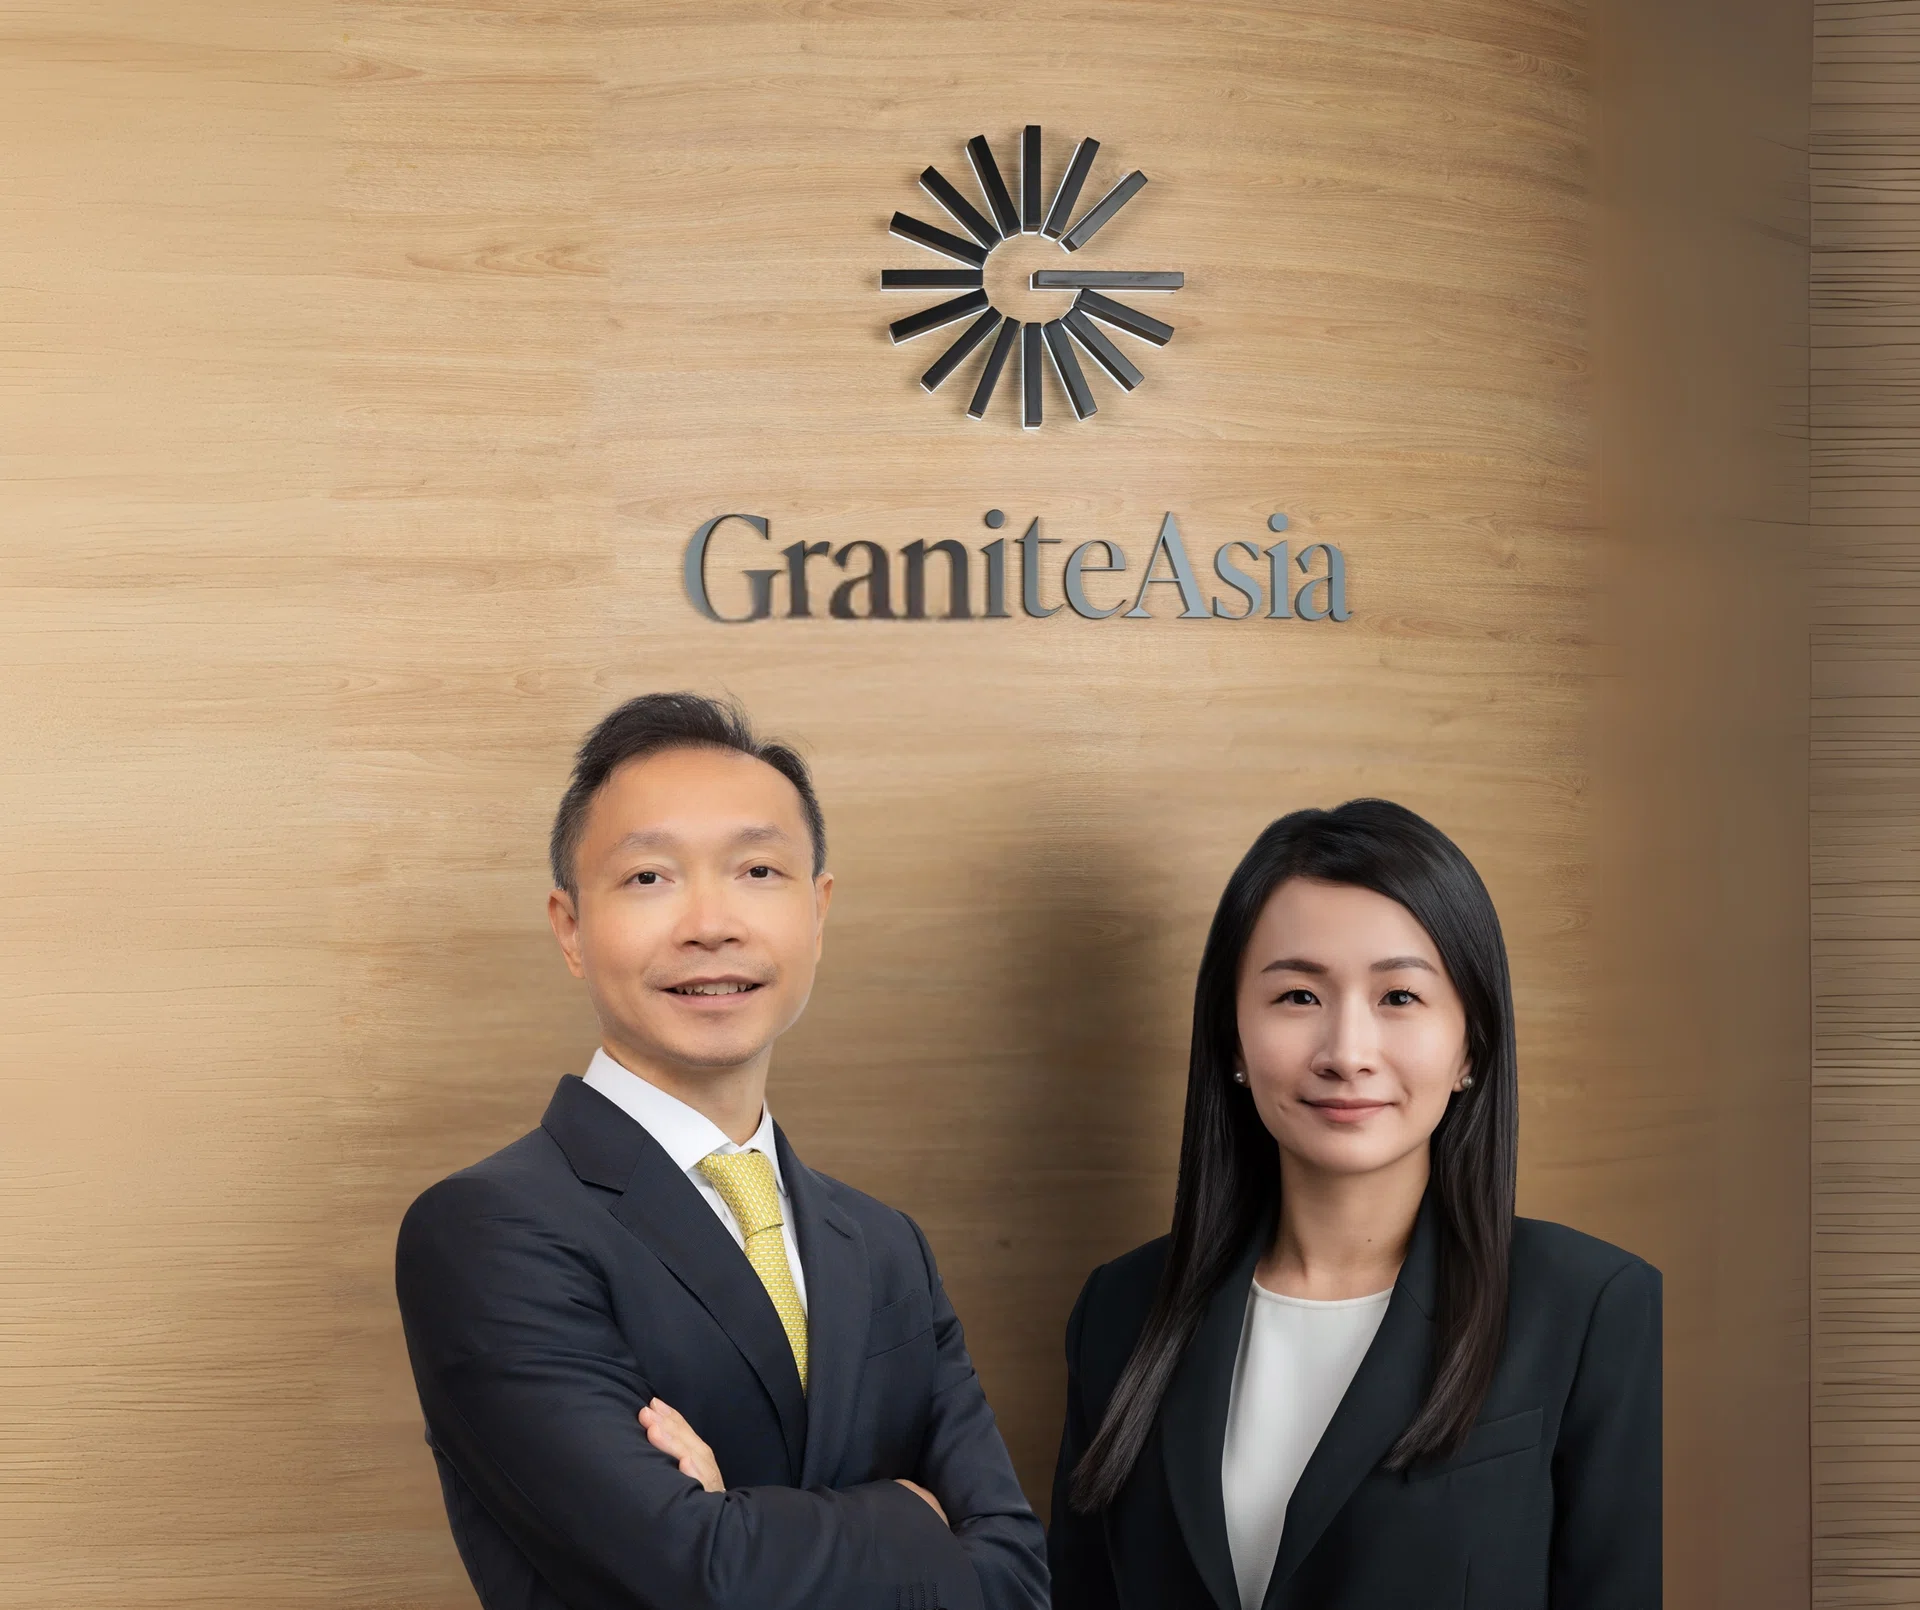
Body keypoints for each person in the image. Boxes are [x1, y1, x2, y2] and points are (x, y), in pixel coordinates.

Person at [395, 692, 1047, 1610]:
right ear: (570, 928)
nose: (711, 923)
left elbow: (1018, 1576)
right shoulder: (489, 1231)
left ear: (817, 913)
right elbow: (692, 1577)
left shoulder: (884, 1244)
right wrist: (914, 1516)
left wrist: (736, 1522)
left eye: (758, 871)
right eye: (649, 877)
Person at [1047, 800, 1661, 1610]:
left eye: (1399, 997)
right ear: (1233, 1039)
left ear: (1471, 1045)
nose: (1346, 1053)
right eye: (1299, 997)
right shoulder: (1120, 1311)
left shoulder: (1591, 1309)